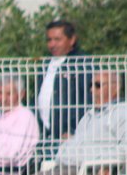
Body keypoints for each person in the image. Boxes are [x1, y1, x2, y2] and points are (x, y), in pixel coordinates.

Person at [5, 70, 127, 175]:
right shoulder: (89, 116)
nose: (92, 90)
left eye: (98, 85)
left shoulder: (121, 113)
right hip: (65, 168)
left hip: (89, 173)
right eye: (91, 85)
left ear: (115, 88)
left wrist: (106, 165)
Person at [36, 20, 92, 154]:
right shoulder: (45, 64)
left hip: (69, 137)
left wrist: (74, 130)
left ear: (72, 40)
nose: (52, 44)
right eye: (49, 40)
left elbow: (89, 100)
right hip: (46, 135)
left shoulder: (81, 63)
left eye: (57, 39)